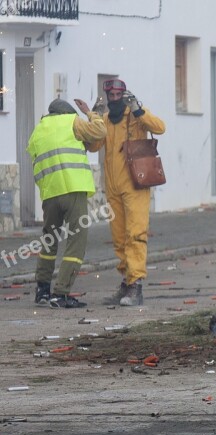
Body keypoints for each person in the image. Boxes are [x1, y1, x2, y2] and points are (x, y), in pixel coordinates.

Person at [86, 79, 166, 306]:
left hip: (135, 185)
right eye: (110, 96)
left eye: (117, 96)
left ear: (124, 95)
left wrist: (139, 109)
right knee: (119, 239)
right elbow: (93, 146)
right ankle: (126, 283)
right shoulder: (105, 121)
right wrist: (92, 117)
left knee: (135, 234)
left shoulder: (136, 116)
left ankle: (136, 286)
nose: (114, 100)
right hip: (113, 187)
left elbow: (160, 127)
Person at [27, 98, 107, 308]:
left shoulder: (37, 131)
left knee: (49, 240)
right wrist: (91, 113)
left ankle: (42, 290)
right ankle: (61, 293)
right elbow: (99, 132)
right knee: (76, 241)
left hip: (50, 193)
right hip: (72, 188)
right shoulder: (71, 121)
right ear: (67, 112)